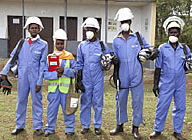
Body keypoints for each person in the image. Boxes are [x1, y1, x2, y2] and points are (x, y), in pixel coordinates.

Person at [0, 16, 48, 135]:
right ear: (28, 29)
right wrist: (3, 72)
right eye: (32, 27)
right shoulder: (22, 43)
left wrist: (39, 82)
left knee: (37, 102)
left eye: (36, 28)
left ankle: (37, 127)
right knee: (21, 101)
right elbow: (13, 58)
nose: (34, 29)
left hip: (35, 78)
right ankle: (19, 125)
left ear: (39, 29)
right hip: (22, 78)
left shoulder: (43, 45)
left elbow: (43, 64)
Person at [110, 8, 150, 140]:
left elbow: (147, 50)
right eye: (122, 21)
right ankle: (120, 125)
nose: (125, 23)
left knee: (137, 100)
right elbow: (115, 59)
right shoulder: (116, 40)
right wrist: (115, 72)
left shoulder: (138, 37)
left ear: (130, 22)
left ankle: (135, 127)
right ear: (120, 23)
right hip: (122, 75)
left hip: (136, 74)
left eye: (127, 21)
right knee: (120, 100)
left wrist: (150, 53)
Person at [150, 16, 191, 140]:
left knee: (180, 107)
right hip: (165, 82)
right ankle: (157, 130)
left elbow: (189, 64)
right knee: (162, 106)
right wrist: (155, 84)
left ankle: (177, 131)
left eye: (176, 32)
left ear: (179, 33)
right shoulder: (162, 48)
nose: (174, 34)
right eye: (171, 32)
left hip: (180, 82)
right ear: (168, 33)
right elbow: (158, 67)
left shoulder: (184, 49)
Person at [76, 17, 112, 135]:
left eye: (92, 29)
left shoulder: (102, 45)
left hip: (98, 78)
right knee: (85, 101)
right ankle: (85, 125)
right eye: (87, 29)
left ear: (96, 31)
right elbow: (79, 63)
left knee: (97, 102)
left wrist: (113, 58)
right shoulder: (82, 46)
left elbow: (110, 56)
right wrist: (78, 80)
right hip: (86, 77)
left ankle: (97, 125)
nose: (89, 32)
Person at [43, 29, 76, 136]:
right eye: (58, 43)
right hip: (53, 90)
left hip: (66, 90)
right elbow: (45, 74)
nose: (60, 45)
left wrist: (64, 70)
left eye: (62, 43)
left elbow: (75, 72)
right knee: (51, 110)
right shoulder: (49, 57)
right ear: (54, 43)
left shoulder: (70, 57)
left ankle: (70, 129)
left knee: (68, 109)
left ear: (64, 44)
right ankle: (49, 129)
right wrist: (55, 75)